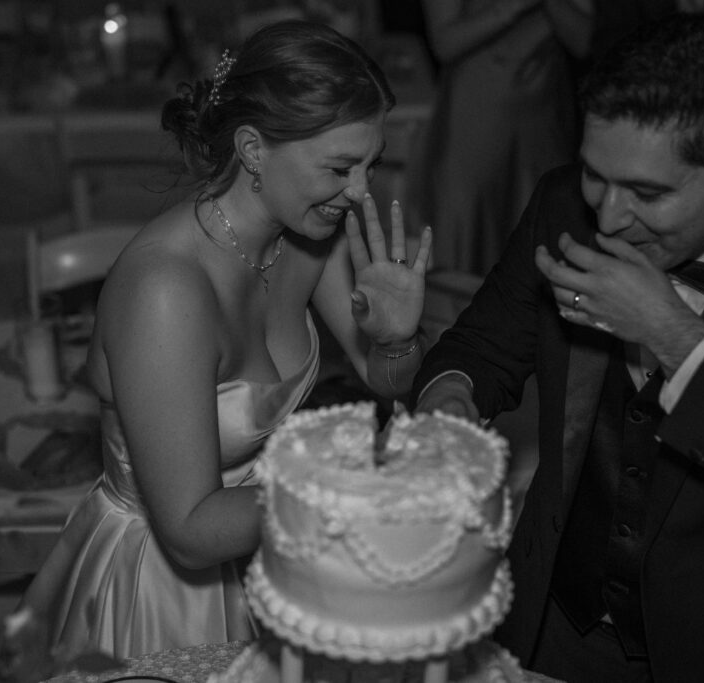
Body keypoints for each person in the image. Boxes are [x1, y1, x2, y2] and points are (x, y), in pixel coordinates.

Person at [413, 12, 704, 682]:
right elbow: (478, 348)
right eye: (594, 174)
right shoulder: (564, 206)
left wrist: (673, 332)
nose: (608, 215)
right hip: (556, 631)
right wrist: (450, 401)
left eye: (648, 193)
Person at [22, 19, 432, 660]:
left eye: (371, 165)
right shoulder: (167, 288)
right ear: (253, 149)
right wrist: (347, 493)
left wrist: (398, 340)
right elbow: (186, 529)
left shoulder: (308, 237)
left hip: (262, 552)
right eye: (340, 168)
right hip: (156, 589)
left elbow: (389, 382)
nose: (361, 193)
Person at [408, 0, 592, 276]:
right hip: (474, 115)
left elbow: (585, 41)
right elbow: (444, 43)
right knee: (467, 233)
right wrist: (511, 8)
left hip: (540, 119)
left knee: (541, 229)